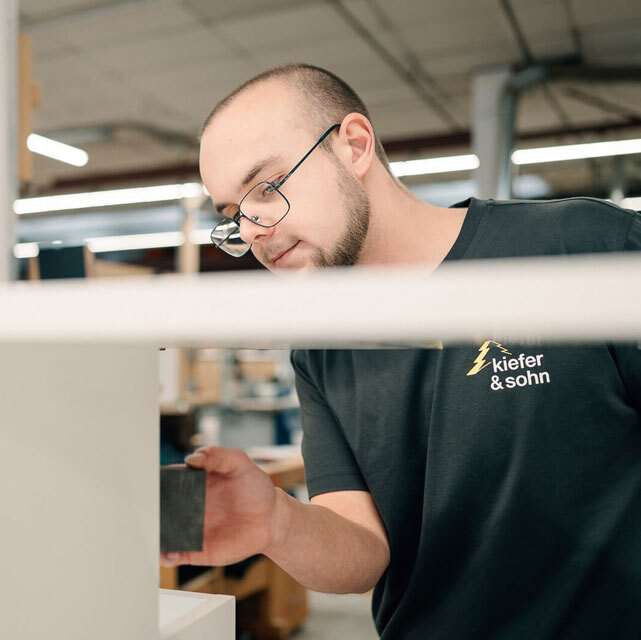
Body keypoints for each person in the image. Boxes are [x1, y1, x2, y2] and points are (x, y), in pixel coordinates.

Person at [161, 64, 641, 639]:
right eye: (234, 215)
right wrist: (277, 522)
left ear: (355, 146)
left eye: (266, 187)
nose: (255, 228)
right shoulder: (320, 346)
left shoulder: (582, 248)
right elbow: (363, 550)